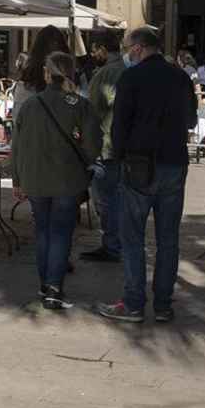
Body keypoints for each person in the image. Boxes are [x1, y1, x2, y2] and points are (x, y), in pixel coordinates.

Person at [99, 27, 198, 324]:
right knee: (168, 239)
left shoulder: (132, 77)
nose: (127, 52)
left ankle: (133, 303)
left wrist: (118, 159)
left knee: (133, 238)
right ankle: (164, 305)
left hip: (139, 166)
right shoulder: (180, 77)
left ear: (139, 48)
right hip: (174, 163)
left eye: (128, 47)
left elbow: (119, 126)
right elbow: (191, 119)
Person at [13, 51, 101, 309]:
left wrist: (18, 178)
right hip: (68, 179)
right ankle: (53, 286)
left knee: (43, 231)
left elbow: (16, 145)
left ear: (46, 73)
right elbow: (93, 145)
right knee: (61, 233)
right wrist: (85, 165)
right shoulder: (80, 105)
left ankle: (45, 284)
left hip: (36, 179)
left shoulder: (30, 105)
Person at [82, 37, 128, 264]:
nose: (92, 55)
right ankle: (116, 243)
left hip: (106, 148)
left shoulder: (105, 74)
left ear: (102, 49)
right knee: (116, 198)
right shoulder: (127, 70)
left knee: (106, 200)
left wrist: (89, 151)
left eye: (94, 50)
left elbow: (92, 114)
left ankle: (112, 245)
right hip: (122, 146)